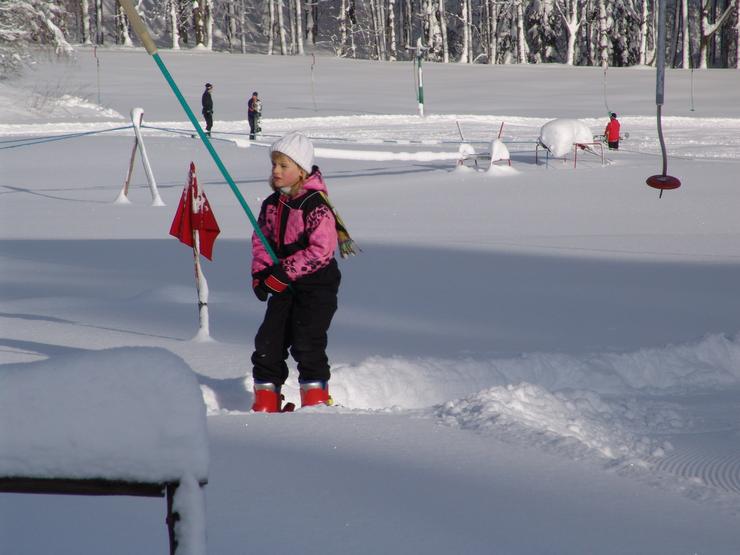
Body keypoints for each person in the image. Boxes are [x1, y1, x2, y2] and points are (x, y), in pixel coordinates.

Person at [250, 132, 356, 413]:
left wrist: (284, 272)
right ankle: (266, 402)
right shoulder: (272, 204)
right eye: (274, 165)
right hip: (283, 283)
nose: (276, 171)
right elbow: (261, 240)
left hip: (316, 285)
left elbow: (321, 251)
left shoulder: (316, 206)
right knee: (268, 342)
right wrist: (261, 275)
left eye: (284, 166)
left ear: (301, 170)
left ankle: (316, 401)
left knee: (306, 342)